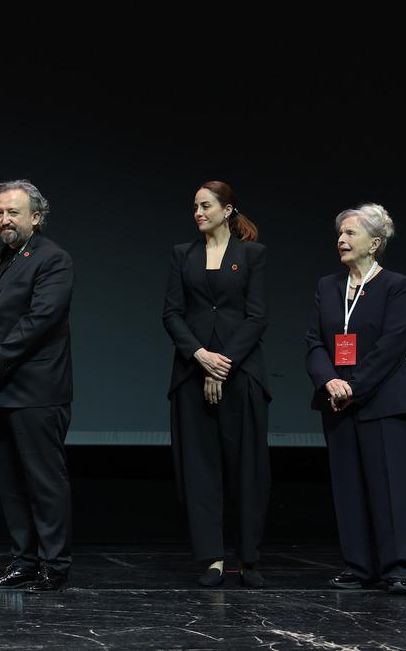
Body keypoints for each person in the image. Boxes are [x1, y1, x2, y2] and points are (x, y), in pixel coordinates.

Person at [0, 180, 74, 592]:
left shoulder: (54, 259)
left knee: (44, 482)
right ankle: (24, 562)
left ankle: (54, 566)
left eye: (13, 212)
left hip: (35, 391)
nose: (4, 220)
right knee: (10, 485)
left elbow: (40, 320)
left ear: (36, 217)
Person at [305, 203, 406, 595]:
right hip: (337, 401)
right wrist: (329, 381)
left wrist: (355, 386)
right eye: (340, 233)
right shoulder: (328, 286)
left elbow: (393, 343)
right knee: (348, 486)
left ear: (375, 243)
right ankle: (358, 565)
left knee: (391, 487)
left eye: (351, 233)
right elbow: (314, 342)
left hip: (384, 401)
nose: (341, 239)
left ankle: (400, 568)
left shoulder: (395, 285)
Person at [162, 180, 270, 588]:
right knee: (200, 468)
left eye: (206, 206)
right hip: (191, 372)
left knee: (247, 467)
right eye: (195, 207)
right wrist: (200, 356)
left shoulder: (252, 254)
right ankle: (212, 557)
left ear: (227, 210)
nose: (198, 213)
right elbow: (172, 313)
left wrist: (222, 365)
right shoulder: (182, 254)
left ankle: (249, 557)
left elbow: (257, 316)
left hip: (241, 372)